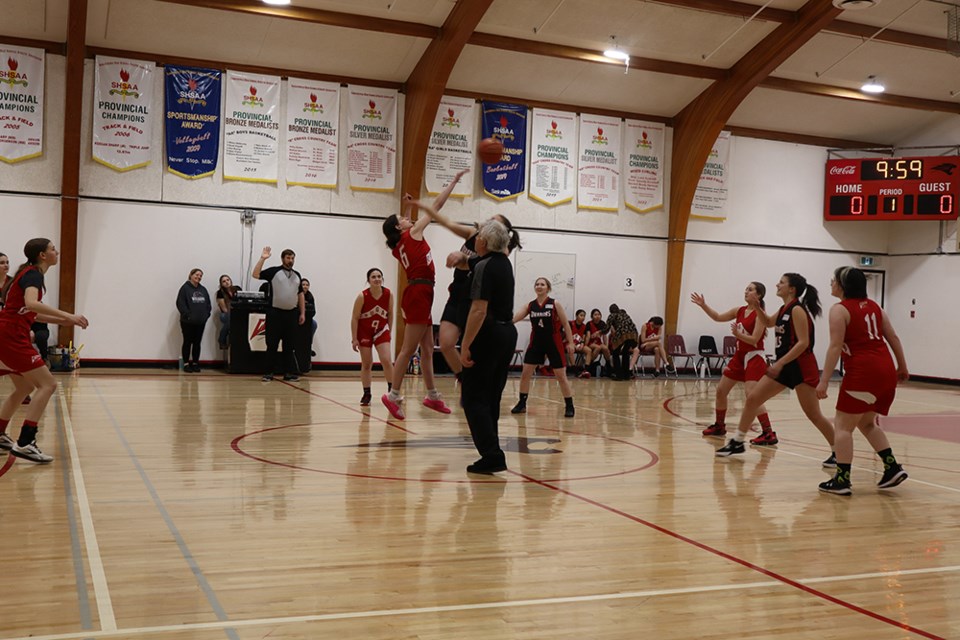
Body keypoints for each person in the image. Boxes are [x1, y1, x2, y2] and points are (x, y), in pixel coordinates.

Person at [716, 273, 836, 465]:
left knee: (814, 414)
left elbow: (803, 343)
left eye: (781, 282)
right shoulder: (784, 308)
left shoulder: (797, 309)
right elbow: (768, 323)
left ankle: (838, 450)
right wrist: (756, 307)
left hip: (801, 368)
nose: (777, 285)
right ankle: (738, 441)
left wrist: (779, 363)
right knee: (753, 398)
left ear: (792, 289)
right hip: (784, 367)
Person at [816, 267, 909, 495]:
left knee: (842, 426)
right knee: (866, 423)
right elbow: (893, 337)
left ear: (843, 285)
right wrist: (902, 366)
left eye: (833, 279)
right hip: (885, 369)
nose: (831, 283)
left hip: (862, 372)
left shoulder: (839, 310)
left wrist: (824, 380)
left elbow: (835, 346)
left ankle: (842, 479)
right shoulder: (876, 307)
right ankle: (891, 467)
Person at [0, 238, 89, 463]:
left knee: (25, 387)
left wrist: (61, 321)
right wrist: (67, 314)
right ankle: (25, 442)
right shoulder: (33, 274)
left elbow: (29, 312)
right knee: (48, 384)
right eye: (52, 249)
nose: (56, 252)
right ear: (42, 254)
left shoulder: (28, 274)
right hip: (10, 336)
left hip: (7, 334)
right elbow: (31, 303)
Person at [380, 199, 459, 420]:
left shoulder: (399, 245)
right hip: (419, 293)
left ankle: (432, 395)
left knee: (427, 349)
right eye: (404, 219)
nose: (409, 219)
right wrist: (452, 183)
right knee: (408, 349)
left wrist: (405, 209)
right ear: (399, 226)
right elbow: (436, 205)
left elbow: (403, 225)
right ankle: (393, 395)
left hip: (420, 292)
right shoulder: (413, 232)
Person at [459, 219, 517, 474]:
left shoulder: (485, 266)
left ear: (484, 241)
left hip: (488, 334)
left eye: (479, 236)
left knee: (473, 397)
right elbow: (473, 262)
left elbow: (478, 310)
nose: (476, 239)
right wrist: (461, 259)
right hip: (507, 333)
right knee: (491, 396)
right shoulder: (504, 263)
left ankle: (492, 454)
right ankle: (492, 451)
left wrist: (465, 344)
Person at [691, 285, 775, 439]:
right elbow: (717, 317)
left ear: (759, 295)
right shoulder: (739, 310)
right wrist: (703, 305)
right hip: (739, 356)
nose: (746, 291)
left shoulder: (760, 315)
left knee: (752, 396)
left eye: (750, 289)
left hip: (754, 356)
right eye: (746, 289)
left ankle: (768, 432)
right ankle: (719, 426)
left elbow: (755, 340)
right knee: (721, 391)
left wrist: (737, 334)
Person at [510, 277, 576, 418]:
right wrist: (503, 323)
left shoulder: (554, 304)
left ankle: (569, 405)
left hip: (553, 342)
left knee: (561, 376)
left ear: (548, 288)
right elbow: (515, 319)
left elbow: (565, 324)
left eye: (542, 284)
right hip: (536, 343)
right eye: (537, 284)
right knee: (525, 374)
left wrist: (570, 343)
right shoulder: (530, 305)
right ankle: (522, 403)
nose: (539, 286)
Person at [253, 247, 305, 382]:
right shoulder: (274, 272)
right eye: (288, 258)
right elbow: (255, 274)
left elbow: (300, 295)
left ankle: (288, 373)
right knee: (272, 344)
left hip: (292, 314)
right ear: (283, 259)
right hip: (275, 313)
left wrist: (302, 313)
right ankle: (269, 372)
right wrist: (263, 258)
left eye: (292, 258)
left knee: (289, 345)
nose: (290, 260)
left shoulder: (297, 275)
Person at [351, 268, 395, 406]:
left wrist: (389, 331)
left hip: (381, 330)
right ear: (368, 280)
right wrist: (354, 338)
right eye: (373, 277)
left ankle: (392, 392)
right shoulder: (362, 296)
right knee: (367, 363)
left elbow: (391, 313)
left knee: (386, 360)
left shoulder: (388, 294)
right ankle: (367, 393)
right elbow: (354, 318)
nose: (377, 279)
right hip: (364, 332)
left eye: (379, 276)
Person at [175, 268, 212, 373]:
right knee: (187, 342)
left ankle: (195, 363)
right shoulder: (185, 288)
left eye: (200, 275)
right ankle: (186, 364)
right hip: (187, 322)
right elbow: (180, 303)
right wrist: (188, 316)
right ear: (190, 275)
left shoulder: (203, 289)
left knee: (197, 343)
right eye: (196, 274)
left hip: (200, 322)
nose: (198, 277)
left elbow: (208, 304)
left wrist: (206, 315)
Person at [606, 303, 639, 380]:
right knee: (625, 352)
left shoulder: (612, 315)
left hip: (622, 334)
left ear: (610, 311)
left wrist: (599, 332)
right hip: (633, 335)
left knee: (615, 353)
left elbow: (606, 328)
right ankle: (626, 375)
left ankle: (619, 376)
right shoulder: (624, 314)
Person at [215, 275, 240, 349]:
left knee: (232, 320)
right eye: (224, 281)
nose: (226, 282)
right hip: (225, 314)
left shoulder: (237, 289)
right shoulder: (220, 293)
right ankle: (222, 340)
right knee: (230, 318)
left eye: (227, 280)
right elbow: (224, 309)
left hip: (237, 312)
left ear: (230, 280)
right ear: (221, 284)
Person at [585, 308, 611, 376]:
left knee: (605, 348)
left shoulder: (602, 323)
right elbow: (587, 336)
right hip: (591, 342)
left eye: (599, 314)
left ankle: (608, 365)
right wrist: (586, 344)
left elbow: (605, 336)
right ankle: (590, 363)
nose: (597, 316)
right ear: (592, 316)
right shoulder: (589, 324)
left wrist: (606, 345)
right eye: (595, 314)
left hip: (599, 342)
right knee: (598, 348)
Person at [569, 309, 593, 379]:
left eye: (584, 316)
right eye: (581, 315)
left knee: (589, 350)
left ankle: (586, 370)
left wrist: (582, 344)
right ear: (576, 316)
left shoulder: (584, 326)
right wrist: (572, 343)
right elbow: (566, 335)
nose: (583, 317)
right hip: (570, 343)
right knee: (571, 349)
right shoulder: (570, 323)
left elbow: (583, 337)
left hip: (579, 343)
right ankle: (574, 369)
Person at [300, 278, 318, 349]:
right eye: (303, 285)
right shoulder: (296, 294)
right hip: (296, 317)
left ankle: (309, 345)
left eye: (307, 285)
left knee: (314, 324)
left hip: (307, 318)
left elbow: (314, 311)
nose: (305, 286)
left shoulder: (310, 296)